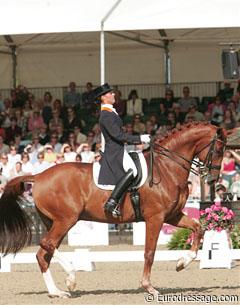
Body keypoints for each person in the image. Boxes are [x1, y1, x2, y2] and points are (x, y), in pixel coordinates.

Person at [91, 83, 150, 217]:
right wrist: (140, 138)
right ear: (103, 97)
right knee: (133, 171)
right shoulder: (105, 115)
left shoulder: (111, 111)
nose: (113, 94)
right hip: (114, 151)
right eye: (110, 93)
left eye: (112, 92)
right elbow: (118, 136)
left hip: (119, 148)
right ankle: (112, 202)